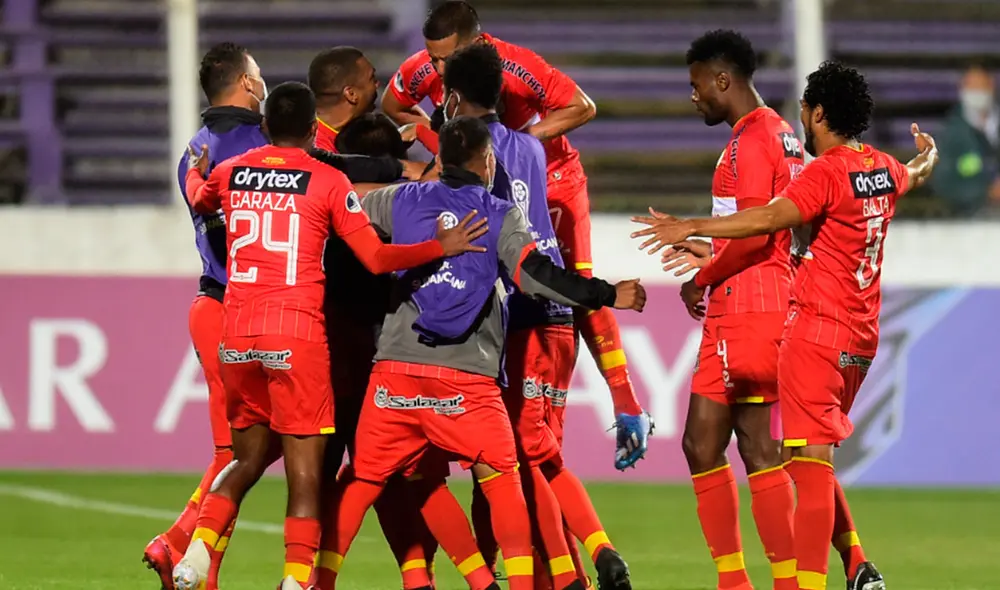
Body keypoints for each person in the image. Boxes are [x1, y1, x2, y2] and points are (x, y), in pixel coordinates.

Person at [631, 61, 939, 590]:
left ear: (819, 113)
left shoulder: (825, 172)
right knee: (799, 454)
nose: (801, 121)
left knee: (808, 463)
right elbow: (914, 173)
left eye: (805, 111)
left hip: (817, 332)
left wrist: (695, 224)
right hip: (862, 340)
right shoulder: (884, 168)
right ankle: (850, 565)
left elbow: (768, 220)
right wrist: (927, 155)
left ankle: (807, 582)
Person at [169, 81, 488, 590]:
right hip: (296, 336)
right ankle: (299, 581)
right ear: (312, 131)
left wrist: (192, 170)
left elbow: (198, 197)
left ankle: (197, 552)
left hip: (238, 333)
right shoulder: (326, 180)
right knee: (307, 474)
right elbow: (377, 258)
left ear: (266, 127)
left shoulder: (229, 172)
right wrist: (439, 245)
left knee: (243, 459)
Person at [319, 116, 645, 590]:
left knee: (364, 480)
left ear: (442, 160)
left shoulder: (400, 200)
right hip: (465, 380)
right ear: (488, 162)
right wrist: (607, 293)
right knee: (502, 478)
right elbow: (537, 276)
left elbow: (344, 207)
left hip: (395, 374)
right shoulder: (498, 213)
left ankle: (314, 581)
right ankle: (518, 583)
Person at [382, 2, 653, 469]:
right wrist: (441, 134)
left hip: (551, 180)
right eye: (433, 59)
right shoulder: (424, 68)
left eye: (447, 59)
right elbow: (392, 103)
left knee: (569, 280)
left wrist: (521, 141)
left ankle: (627, 404)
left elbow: (581, 106)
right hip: (483, 177)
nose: (438, 69)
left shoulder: (516, 65)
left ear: (478, 44)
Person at [442, 43, 631, 590]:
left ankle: (585, 561)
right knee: (536, 446)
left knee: (528, 453)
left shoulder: (479, 150)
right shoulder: (530, 145)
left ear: (454, 97)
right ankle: (571, 571)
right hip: (561, 318)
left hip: (522, 310)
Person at [659, 30, 803, 590]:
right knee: (708, 442)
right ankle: (744, 581)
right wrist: (709, 254)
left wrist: (705, 274)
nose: (693, 97)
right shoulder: (781, 133)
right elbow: (762, 227)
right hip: (759, 296)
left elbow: (751, 238)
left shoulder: (749, 141)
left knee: (754, 446)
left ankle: (773, 582)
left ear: (723, 80)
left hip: (747, 301)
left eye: (697, 86)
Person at [929, 64, 1000, 216]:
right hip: (970, 217)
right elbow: (943, 181)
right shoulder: (950, 133)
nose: (976, 93)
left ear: (991, 86)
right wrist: (987, 192)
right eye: (971, 87)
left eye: (980, 86)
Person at [308, 46, 379, 152]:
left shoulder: (353, 135)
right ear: (351, 94)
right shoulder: (316, 153)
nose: (377, 84)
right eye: (372, 78)